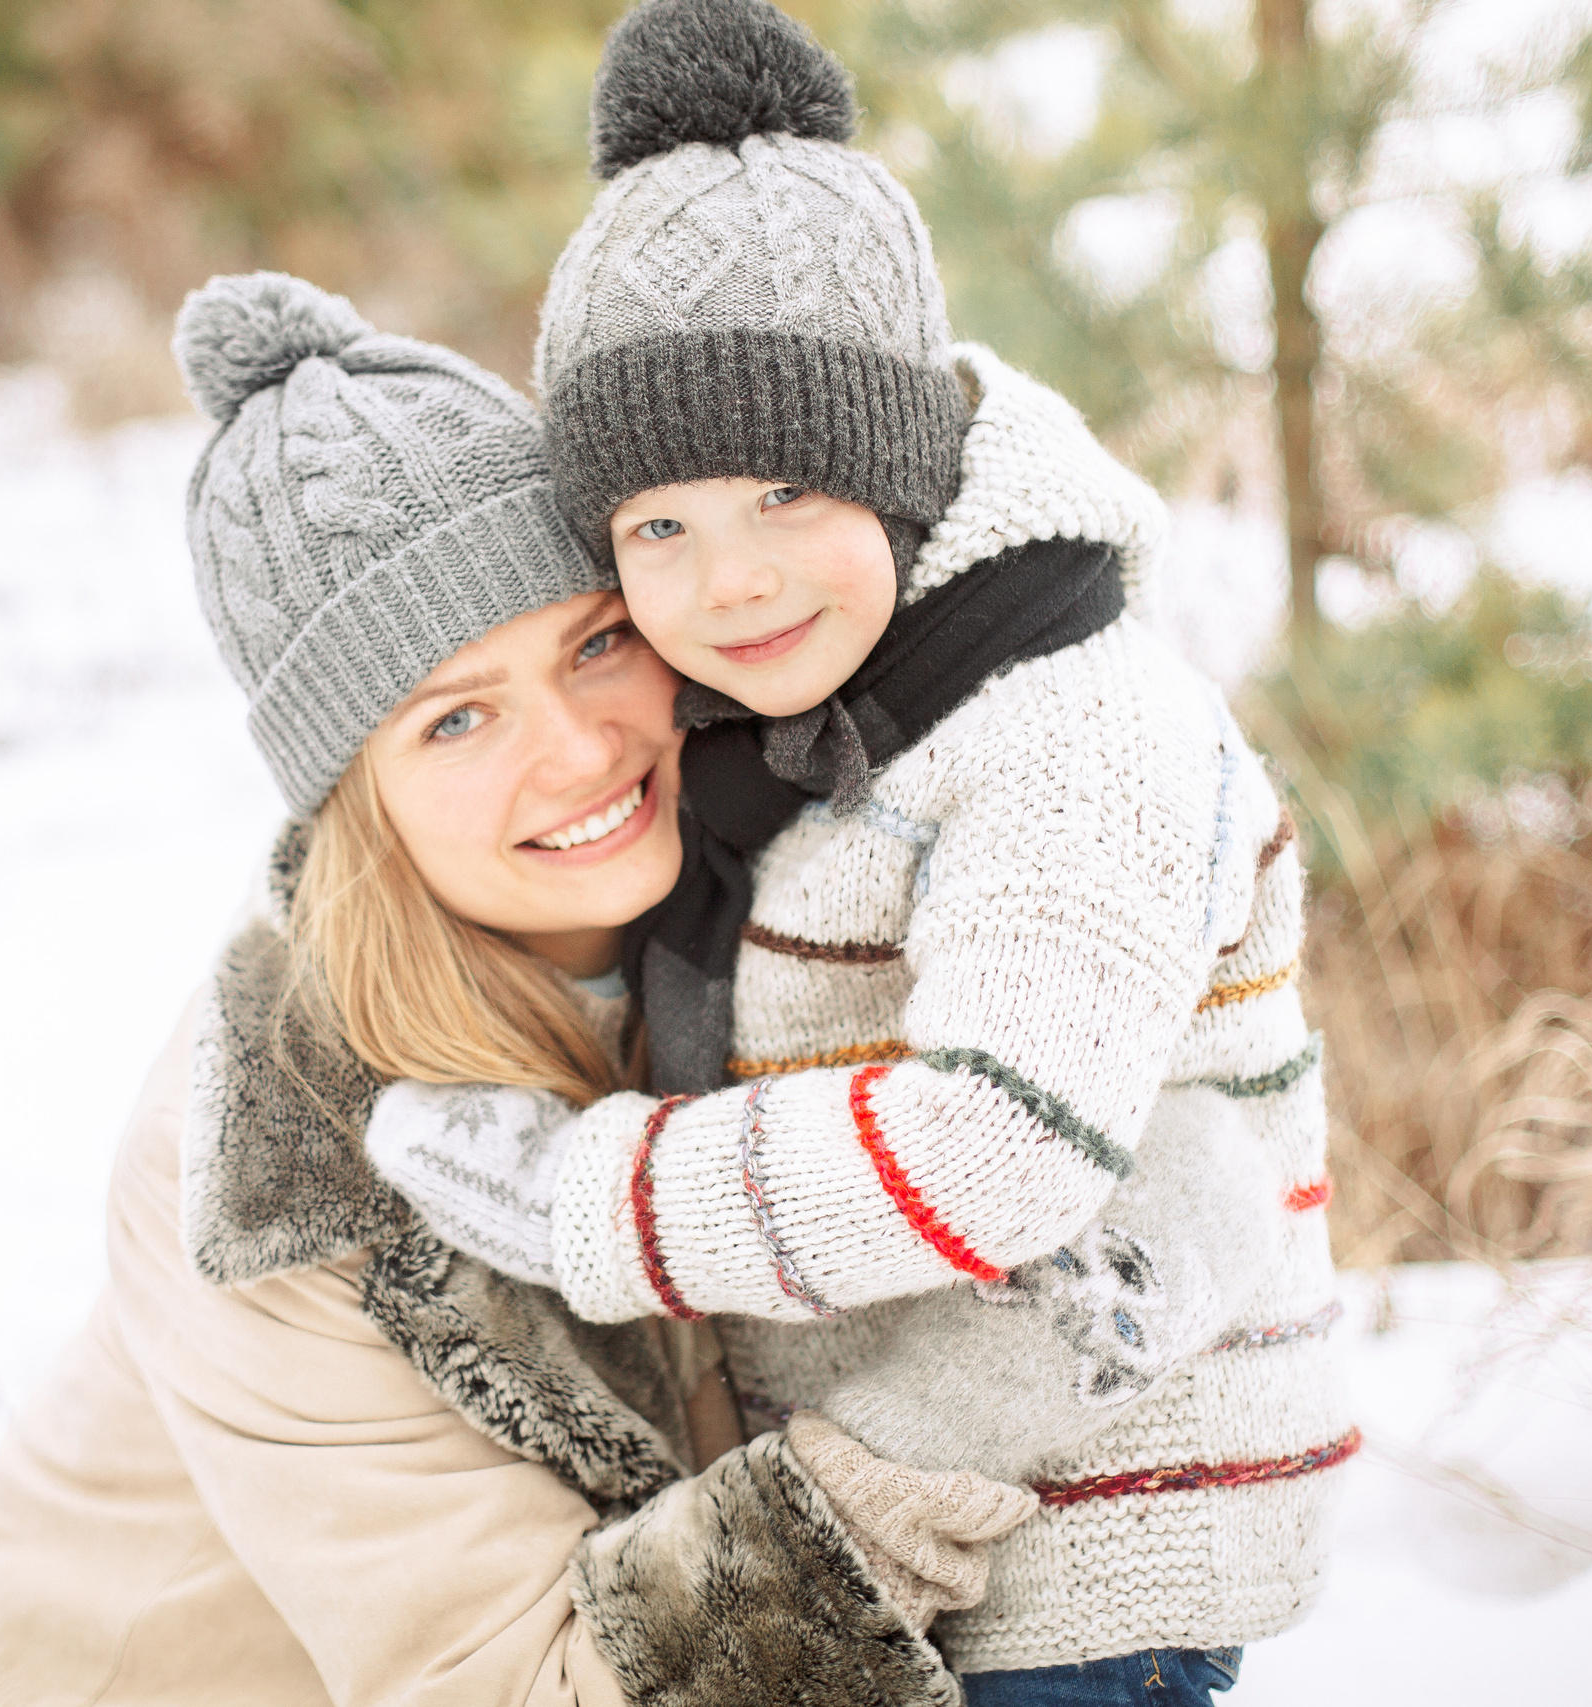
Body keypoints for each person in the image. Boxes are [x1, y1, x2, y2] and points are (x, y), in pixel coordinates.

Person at [362, 3, 1353, 1700]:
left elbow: (998, 1149)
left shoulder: (1076, 730)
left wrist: (579, 1192)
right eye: (659, 527)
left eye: (788, 496)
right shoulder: (812, 726)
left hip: (1098, 1552)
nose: (730, 580)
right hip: (924, 1533)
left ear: (897, 471)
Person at [0, 271, 1036, 1707]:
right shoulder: (275, 1173)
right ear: (354, 796)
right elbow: (509, 1685)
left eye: (594, 644)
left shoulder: (761, 898)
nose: (579, 750)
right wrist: (882, 1482)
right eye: (456, 720)